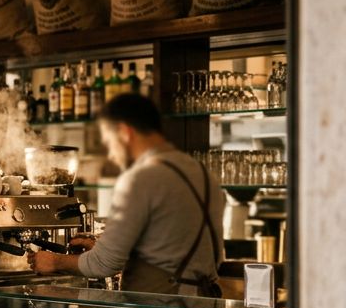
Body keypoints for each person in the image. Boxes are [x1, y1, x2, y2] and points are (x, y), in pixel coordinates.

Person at [29, 93, 224, 296]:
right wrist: (105, 248)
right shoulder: (202, 173)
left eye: (110, 143)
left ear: (124, 132)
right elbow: (207, 254)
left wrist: (53, 261)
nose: (112, 155)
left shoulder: (140, 178)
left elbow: (103, 264)